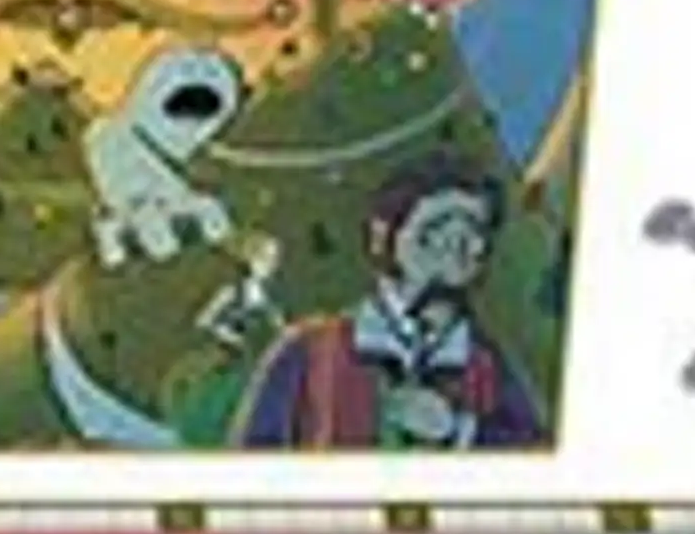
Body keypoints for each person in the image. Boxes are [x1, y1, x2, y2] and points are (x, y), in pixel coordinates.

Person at [232, 161, 542, 449]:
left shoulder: (485, 362)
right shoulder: (309, 350)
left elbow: (533, 453)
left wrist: (457, 431)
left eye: (475, 227)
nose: (459, 243)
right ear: (382, 236)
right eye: (437, 226)